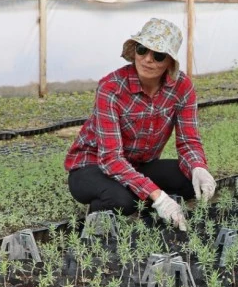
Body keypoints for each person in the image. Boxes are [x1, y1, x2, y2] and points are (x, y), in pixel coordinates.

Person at [63, 18, 217, 231]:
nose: (147, 60)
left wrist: (198, 167)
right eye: (142, 49)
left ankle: (141, 199)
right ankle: (101, 216)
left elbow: (188, 141)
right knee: (122, 201)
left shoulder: (182, 87)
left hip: (138, 165)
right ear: (134, 50)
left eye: (159, 55)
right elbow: (110, 158)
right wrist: (158, 196)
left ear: (170, 62)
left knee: (190, 181)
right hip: (93, 165)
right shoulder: (112, 87)